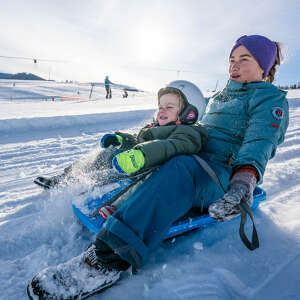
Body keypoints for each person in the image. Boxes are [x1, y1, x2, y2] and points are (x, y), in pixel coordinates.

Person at [27, 35, 289, 300]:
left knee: (180, 167)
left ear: (263, 67)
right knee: (142, 148)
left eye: (244, 59)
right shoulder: (219, 97)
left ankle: (105, 262)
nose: (234, 65)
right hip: (193, 158)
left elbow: (260, 141)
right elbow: (196, 130)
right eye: (232, 59)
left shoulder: (269, 100)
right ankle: (77, 180)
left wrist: (244, 180)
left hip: (217, 174)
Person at [34, 86, 207, 191]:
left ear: (187, 113)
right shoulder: (154, 127)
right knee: (106, 155)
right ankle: (66, 178)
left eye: (169, 107)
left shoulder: (188, 131)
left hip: (148, 168)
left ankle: (79, 190)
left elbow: (173, 146)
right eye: (160, 106)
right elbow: (138, 140)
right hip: (135, 160)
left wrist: (142, 155)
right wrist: (120, 139)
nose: (162, 110)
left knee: (108, 175)